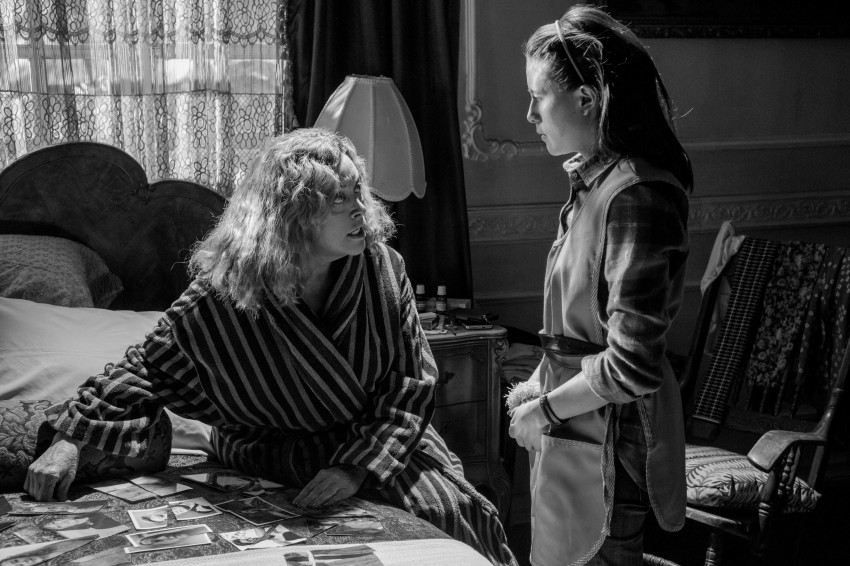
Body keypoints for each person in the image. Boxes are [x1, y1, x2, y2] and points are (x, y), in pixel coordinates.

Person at [23, 128, 517, 566]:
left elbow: (411, 383)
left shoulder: (384, 269)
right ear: (293, 212)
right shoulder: (226, 294)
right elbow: (144, 369)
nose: (360, 210)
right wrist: (71, 440)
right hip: (275, 457)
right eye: (339, 199)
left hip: (376, 448)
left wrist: (354, 467)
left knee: (444, 509)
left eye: (358, 193)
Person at [508, 5, 692, 566]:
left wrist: (544, 411)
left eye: (538, 97)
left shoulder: (637, 197)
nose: (530, 114)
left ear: (587, 99)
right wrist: (538, 389)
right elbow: (574, 332)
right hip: (578, 424)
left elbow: (632, 366)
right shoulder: (594, 186)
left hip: (610, 441)